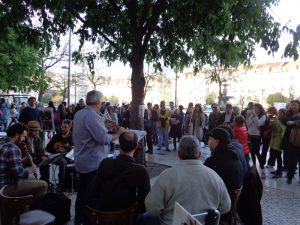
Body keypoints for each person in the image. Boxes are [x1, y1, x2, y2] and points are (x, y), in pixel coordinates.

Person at [145, 136, 231, 225]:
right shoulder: (214, 176)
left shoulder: (166, 176)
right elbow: (226, 207)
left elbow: (152, 208)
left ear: (179, 154)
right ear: (200, 154)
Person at [72, 90, 125, 224]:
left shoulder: (80, 113)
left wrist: (105, 126)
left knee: (82, 192)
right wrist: (119, 134)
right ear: (98, 102)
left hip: (82, 160)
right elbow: (103, 138)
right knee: (92, 195)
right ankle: (88, 220)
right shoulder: (92, 115)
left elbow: (90, 131)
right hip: (92, 162)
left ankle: (79, 219)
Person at [90, 131, 150, 216]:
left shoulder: (105, 163)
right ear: (136, 146)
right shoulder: (141, 171)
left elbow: (94, 191)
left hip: (103, 215)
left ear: (119, 145)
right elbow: (144, 203)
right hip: (128, 217)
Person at [0, 123, 47, 199]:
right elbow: (20, 174)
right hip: (5, 186)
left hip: (4, 180)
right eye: (23, 136)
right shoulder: (12, 148)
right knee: (43, 184)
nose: (24, 139)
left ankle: (26, 203)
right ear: (17, 134)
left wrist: (21, 161)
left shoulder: (2, 143)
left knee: (32, 178)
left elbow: (6, 165)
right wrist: (31, 169)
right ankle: (34, 208)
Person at [46, 119, 73, 189]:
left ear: (70, 127)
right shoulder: (56, 136)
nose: (63, 129)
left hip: (69, 156)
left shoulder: (73, 137)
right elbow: (47, 148)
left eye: (65, 127)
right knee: (63, 162)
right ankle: (61, 184)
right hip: (57, 156)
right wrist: (57, 151)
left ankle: (74, 183)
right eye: (62, 127)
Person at [280, 100, 300, 184]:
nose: (293, 107)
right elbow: (284, 120)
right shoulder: (288, 113)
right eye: (292, 105)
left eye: (295, 105)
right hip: (290, 141)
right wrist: (295, 117)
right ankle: (289, 177)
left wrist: (294, 122)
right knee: (291, 160)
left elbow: (290, 122)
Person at [246, 103, 267, 178]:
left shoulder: (263, 116)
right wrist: (247, 117)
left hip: (257, 137)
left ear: (260, 109)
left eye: (256, 108)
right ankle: (254, 168)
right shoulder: (252, 115)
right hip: (250, 135)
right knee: (252, 152)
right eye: (253, 108)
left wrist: (254, 116)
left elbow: (258, 124)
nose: (254, 110)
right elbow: (248, 125)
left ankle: (262, 168)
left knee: (257, 152)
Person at [266, 107, 286, 178]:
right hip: (273, 141)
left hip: (279, 142)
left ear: (284, 114)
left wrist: (276, 120)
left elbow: (282, 129)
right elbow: (270, 123)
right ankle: (278, 170)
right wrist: (270, 118)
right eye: (279, 113)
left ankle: (279, 172)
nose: (279, 114)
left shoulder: (283, 120)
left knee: (278, 157)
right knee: (275, 156)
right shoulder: (277, 119)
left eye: (281, 113)